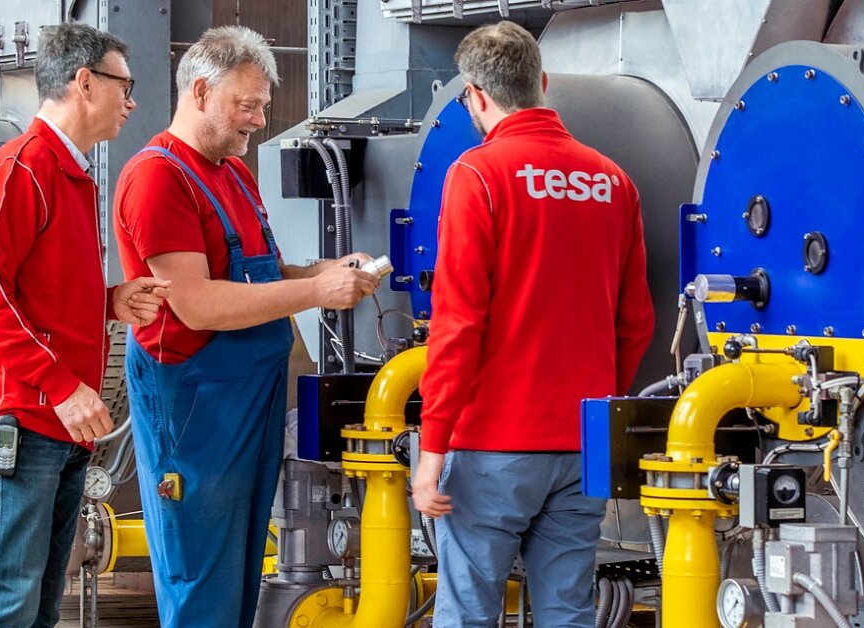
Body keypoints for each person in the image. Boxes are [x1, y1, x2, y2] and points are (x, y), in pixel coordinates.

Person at [111, 25, 376, 626]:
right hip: (196, 405)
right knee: (200, 568)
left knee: (241, 563)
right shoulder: (159, 178)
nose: (257, 121)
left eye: (262, 106)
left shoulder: (231, 172)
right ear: (200, 91)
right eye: (247, 105)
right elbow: (198, 303)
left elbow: (259, 270)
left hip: (249, 393)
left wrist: (324, 269)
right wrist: (314, 291)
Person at [411, 20, 654, 627]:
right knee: (567, 612)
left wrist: (433, 447)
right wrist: (597, 404)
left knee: (468, 612)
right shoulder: (611, 180)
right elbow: (636, 321)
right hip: (582, 442)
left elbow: (458, 322)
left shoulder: (478, 175)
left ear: (475, 95)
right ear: (541, 83)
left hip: (494, 441)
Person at [0, 22, 166, 628]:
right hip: (24, 417)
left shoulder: (69, 174)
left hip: (60, 422)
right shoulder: (21, 168)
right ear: (84, 82)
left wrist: (109, 302)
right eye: (125, 86)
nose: (132, 102)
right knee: (6, 606)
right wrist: (61, 385)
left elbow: (35, 289)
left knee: (39, 605)